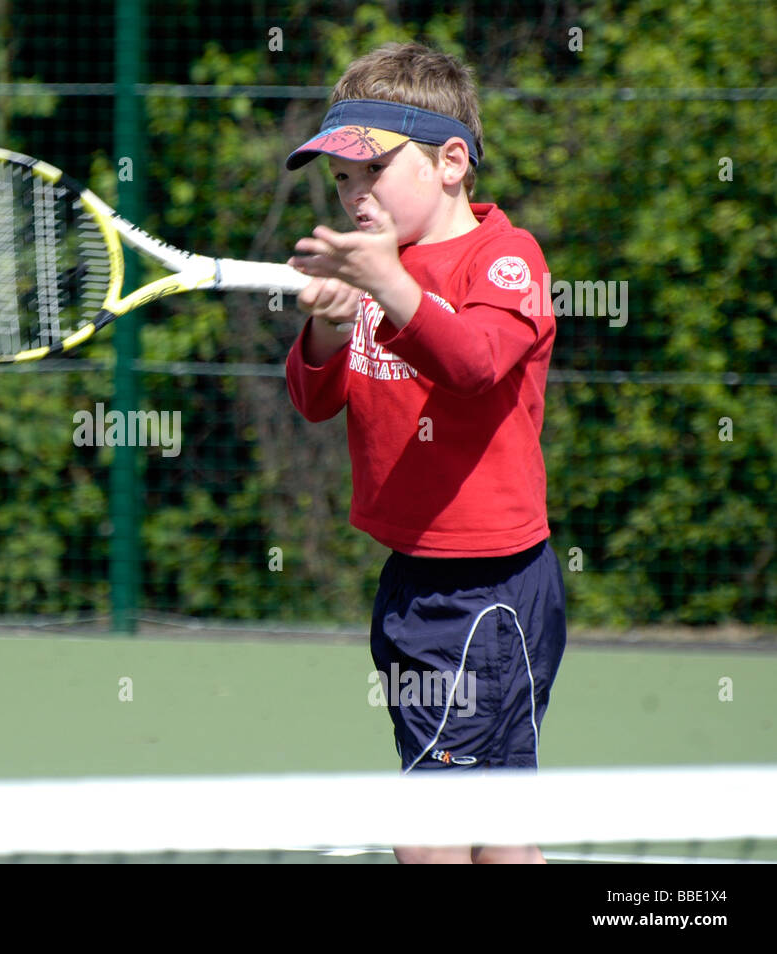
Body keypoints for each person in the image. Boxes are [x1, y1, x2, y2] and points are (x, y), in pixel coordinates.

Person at [283, 42, 567, 864]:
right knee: (500, 834)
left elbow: (474, 363)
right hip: (415, 577)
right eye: (340, 180)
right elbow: (315, 401)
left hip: (489, 590)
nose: (353, 193)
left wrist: (388, 288)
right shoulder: (380, 271)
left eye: (372, 171)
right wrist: (329, 327)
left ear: (451, 162)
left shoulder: (506, 259)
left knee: (431, 831)